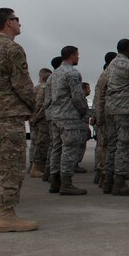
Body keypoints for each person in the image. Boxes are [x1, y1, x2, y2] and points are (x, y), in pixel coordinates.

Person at [0, 8, 38, 232]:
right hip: (8, 114)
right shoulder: (12, 48)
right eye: (16, 19)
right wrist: (34, 107)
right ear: (8, 23)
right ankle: (7, 215)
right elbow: (22, 84)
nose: (19, 23)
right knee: (10, 165)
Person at [50, 46, 89, 195]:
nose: (78, 58)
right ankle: (66, 183)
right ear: (72, 56)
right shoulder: (72, 73)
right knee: (69, 149)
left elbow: (49, 96)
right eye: (77, 55)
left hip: (56, 116)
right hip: (69, 117)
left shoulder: (55, 74)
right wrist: (83, 111)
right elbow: (78, 96)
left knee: (57, 148)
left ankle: (55, 182)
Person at [103, 39, 129, 196]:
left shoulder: (111, 65)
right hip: (125, 110)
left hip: (110, 109)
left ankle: (108, 181)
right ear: (128, 49)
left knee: (113, 145)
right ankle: (120, 183)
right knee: (125, 146)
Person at [90, 52, 117, 186]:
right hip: (108, 114)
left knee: (102, 145)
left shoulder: (102, 75)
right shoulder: (110, 75)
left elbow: (96, 98)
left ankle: (100, 174)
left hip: (102, 113)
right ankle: (105, 175)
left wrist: (95, 115)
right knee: (108, 145)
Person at [43, 56, 64, 190]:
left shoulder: (51, 78)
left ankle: (49, 172)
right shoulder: (63, 75)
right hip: (61, 114)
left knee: (53, 145)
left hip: (51, 114)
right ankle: (56, 176)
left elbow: (46, 101)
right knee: (61, 146)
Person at [28, 68, 52, 178]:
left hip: (35, 119)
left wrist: (33, 118)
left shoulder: (36, 88)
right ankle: (36, 168)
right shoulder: (46, 88)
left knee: (36, 143)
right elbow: (43, 106)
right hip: (42, 120)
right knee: (42, 144)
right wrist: (38, 117)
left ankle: (34, 166)